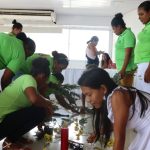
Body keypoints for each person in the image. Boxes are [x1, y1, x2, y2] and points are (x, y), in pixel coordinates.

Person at [78, 68, 150, 150]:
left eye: (89, 94)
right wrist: (98, 132)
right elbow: (116, 124)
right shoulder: (113, 95)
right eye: (85, 95)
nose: (87, 99)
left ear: (103, 89)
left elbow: (120, 138)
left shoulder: (117, 96)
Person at [0, 57, 53, 150]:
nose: (45, 83)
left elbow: (26, 113)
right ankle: (9, 142)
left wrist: (42, 119)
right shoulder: (28, 78)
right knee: (40, 111)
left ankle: (14, 138)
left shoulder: (27, 83)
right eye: (45, 80)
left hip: (3, 124)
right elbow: (35, 100)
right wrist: (48, 104)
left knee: (39, 110)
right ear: (41, 75)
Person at [111, 13, 136, 87]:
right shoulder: (122, 35)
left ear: (118, 26)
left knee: (125, 92)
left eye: (114, 28)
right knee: (120, 90)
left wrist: (123, 69)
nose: (114, 31)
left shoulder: (128, 34)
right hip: (123, 69)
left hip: (126, 70)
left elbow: (128, 53)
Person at [134, 1, 150, 93]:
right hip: (143, 64)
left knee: (146, 95)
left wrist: (149, 69)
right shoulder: (147, 26)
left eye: (141, 14)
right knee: (141, 94)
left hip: (147, 64)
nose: (139, 17)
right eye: (138, 15)